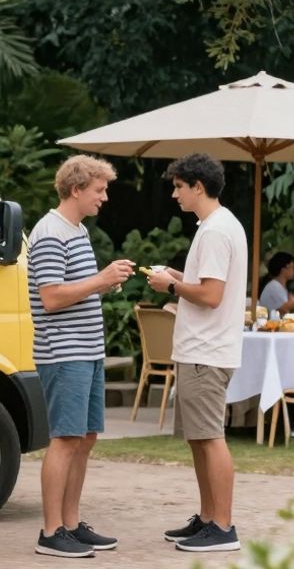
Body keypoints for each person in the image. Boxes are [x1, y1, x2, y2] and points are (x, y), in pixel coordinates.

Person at [27, 155, 133, 559]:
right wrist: (101, 279)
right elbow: (51, 297)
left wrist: (102, 284)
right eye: (99, 190)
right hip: (64, 352)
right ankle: (51, 531)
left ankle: (70, 524)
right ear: (76, 189)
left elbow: (75, 288)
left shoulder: (77, 230)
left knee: (85, 438)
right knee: (66, 438)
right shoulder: (51, 232)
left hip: (86, 352)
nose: (104, 197)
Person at [145, 153, 245, 553]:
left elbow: (211, 295)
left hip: (207, 350)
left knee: (210, 438)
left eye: (178, 186)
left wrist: (170, 288)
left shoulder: (217, 230)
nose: (174, 194)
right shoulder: (215, 227)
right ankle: (207, 518)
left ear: (197, 187)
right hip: (199, 350)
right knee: (198, 438)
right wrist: (176, 277)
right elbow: (203, 284)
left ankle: (222, 526)